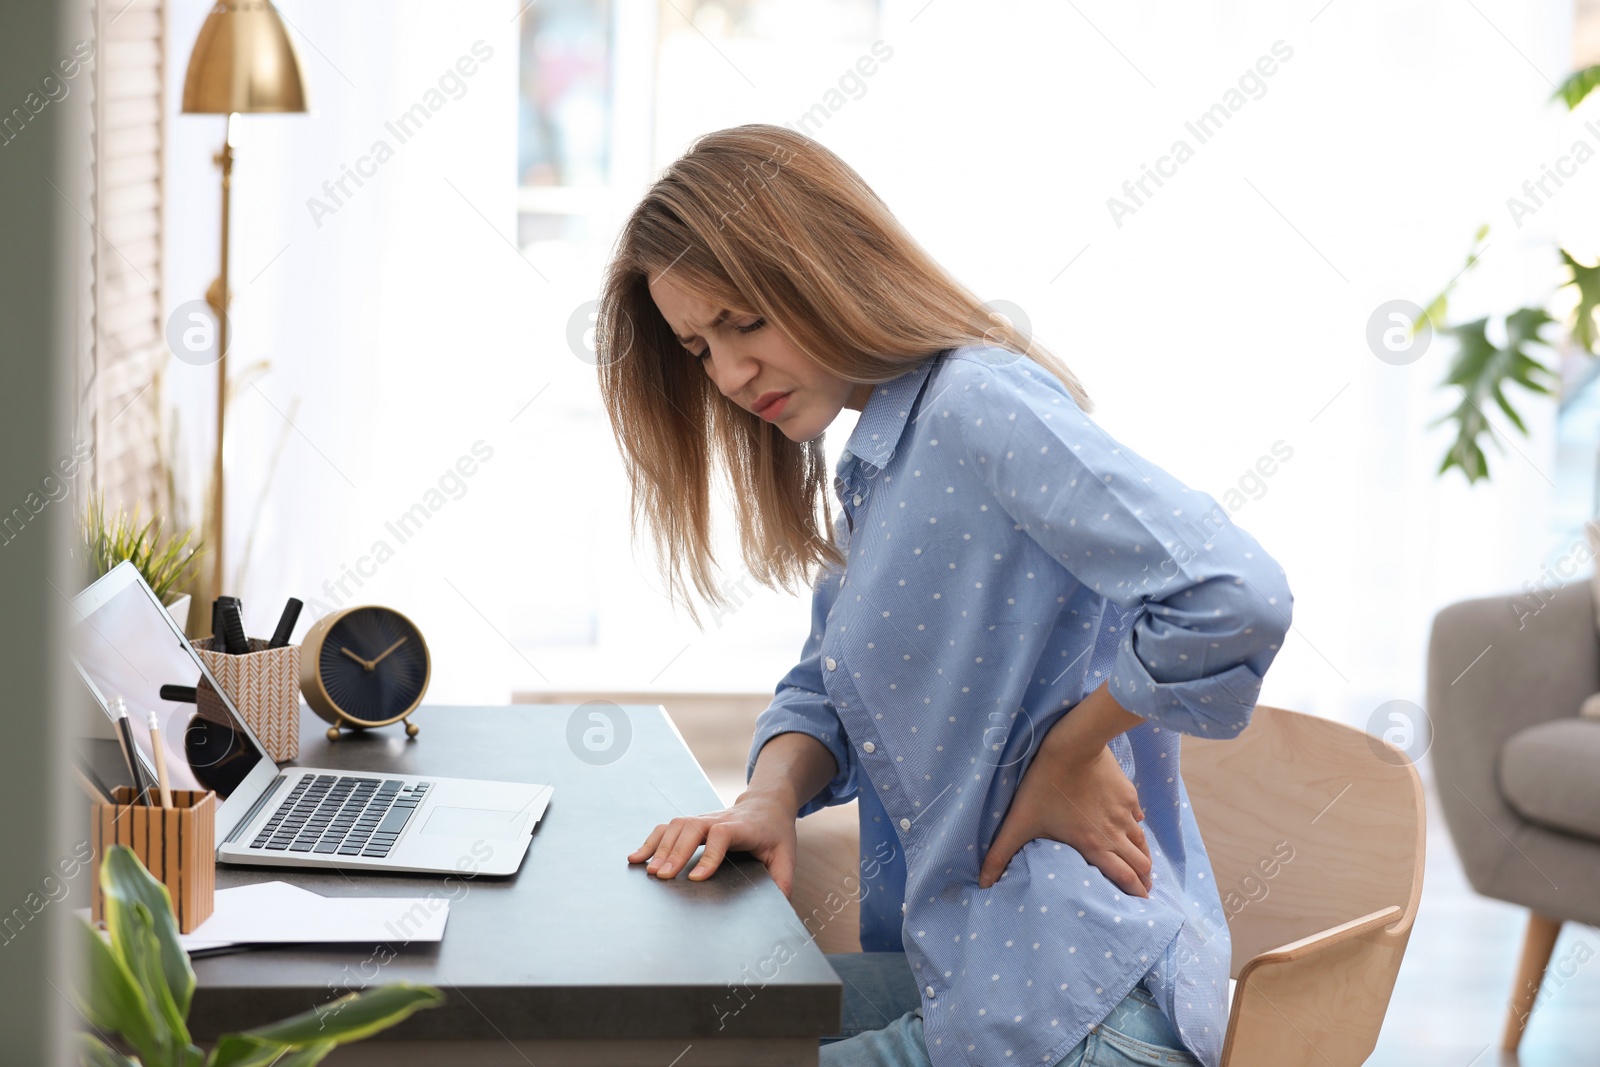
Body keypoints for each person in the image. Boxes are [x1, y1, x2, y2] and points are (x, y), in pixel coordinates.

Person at [596, 124, 1293, 1067]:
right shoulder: (877, 465)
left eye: (745, 323)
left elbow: (1234, 593)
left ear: (830, 267)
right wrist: (769, 794)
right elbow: (824, 684)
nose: (727, 374)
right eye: (698, 347)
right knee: (666, 1030)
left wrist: (1069, 750)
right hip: (975, 977)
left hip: (1079, 1012)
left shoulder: (979, 405)